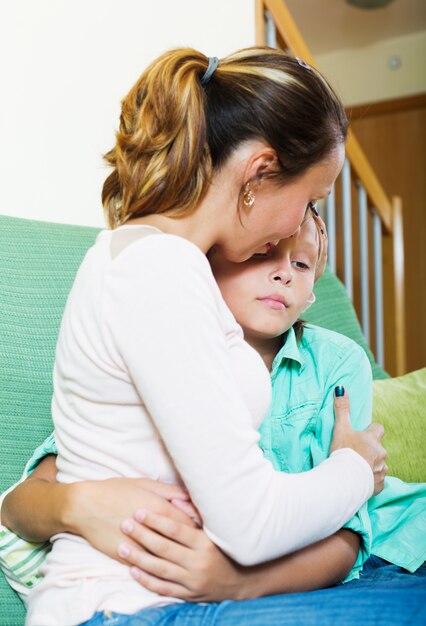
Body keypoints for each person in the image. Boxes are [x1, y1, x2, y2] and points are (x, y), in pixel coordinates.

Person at [1, 47, 388, 626]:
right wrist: (356, 467)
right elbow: (251, 524)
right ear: (258, 173)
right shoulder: (157, 271)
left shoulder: (163, 264)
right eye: (308, 200)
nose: (298, 228)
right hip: (122, 608)